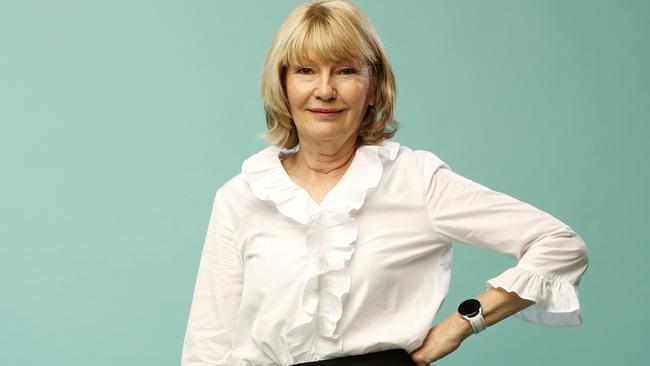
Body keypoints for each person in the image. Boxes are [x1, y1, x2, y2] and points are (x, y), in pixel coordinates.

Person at [181, 0, 590, 365]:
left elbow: (559, 245)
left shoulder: (416, 180)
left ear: (373, 87)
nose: (325, 90)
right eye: (306, 70)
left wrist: (464, 322)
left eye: (345, 71)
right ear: (284, 85)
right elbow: (208, 345)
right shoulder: (242, 196)